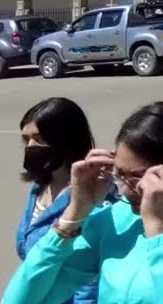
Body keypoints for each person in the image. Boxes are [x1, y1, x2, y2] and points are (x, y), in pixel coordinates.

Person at [2, 102, 163, 304]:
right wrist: (74, 213)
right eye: (119, 174)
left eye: (137, 177)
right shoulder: (118, 216)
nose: (123, 189)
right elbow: (22, 298)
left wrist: (159, 230)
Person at [15, 98, 111, 304]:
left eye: (39, 138)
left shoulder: (92, 200)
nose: (30, 146)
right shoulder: (40, 188)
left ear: (65, 139)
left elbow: (88, 286)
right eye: (26, 139)